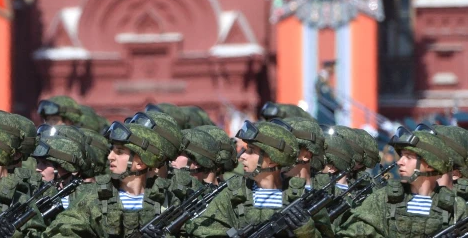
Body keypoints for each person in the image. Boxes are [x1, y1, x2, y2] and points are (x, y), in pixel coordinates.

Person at [185, 119, 322, 238]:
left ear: (272, 160)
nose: (242, 156)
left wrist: (308, 232)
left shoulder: (301, 195)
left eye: (251, 151)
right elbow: (203, 230)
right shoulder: (233, 194)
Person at [44, 121, 174, 238]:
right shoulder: (93, 196)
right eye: (112, 150)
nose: (110, 156)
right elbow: (62, 231)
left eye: (119, 152)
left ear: (140, 162)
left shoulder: (167, 197)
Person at [337, 126, 465, 237]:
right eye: (401, 156)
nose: (400, 162)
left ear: (431, 164)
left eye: (408, 157)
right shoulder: (382, 199)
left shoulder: (455, 207)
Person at [315, 60, 342, 124]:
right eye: (332, 67)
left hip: (329, 114)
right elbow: (327, 97)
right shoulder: (322, 81)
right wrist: (336, 105)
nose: (333, 70)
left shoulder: (325, 80)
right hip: (326, 115)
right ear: (328, 68)